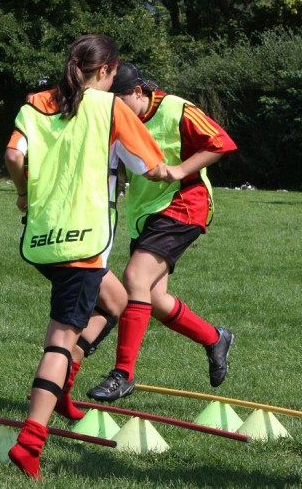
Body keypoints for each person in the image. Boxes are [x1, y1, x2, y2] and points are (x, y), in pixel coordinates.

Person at [4, 34, 167, 480]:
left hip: (43, 238)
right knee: (60, 338)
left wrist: (23, 192)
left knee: (115, 302)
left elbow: (14, 154)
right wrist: (184, 170)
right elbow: (153, 167)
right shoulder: (109, 107)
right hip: (82, 244)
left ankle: (62, 389)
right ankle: (30, 440)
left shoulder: (36, 103)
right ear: (107, 70)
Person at [86, 61, 237, 402]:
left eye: (118, 101)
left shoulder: (177, 109)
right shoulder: (117, 117)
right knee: (152, 298)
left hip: (185, 203)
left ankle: (122, 374)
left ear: (138, 92)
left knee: (134, 278)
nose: (113, 109)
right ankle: (214, 338)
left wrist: (179, 170)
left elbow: (221, 142)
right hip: (146, 213)